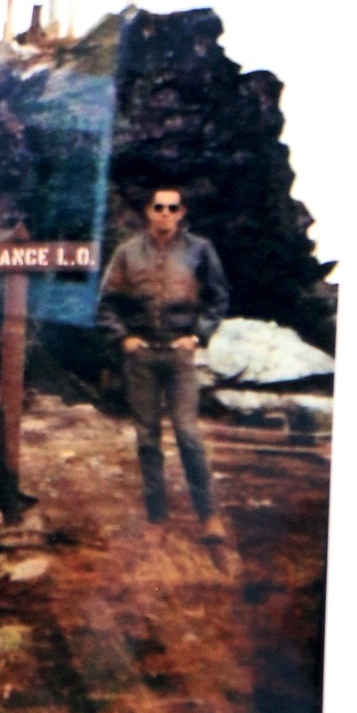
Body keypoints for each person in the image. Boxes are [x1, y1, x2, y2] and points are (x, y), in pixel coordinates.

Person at [98, 185, 230, 539]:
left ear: (182, 212)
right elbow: (107, 303)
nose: (166, 214)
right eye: (159, 207)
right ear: (148, 212)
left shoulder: (199, 250)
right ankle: (157, 517)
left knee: (188, 435)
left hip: (179, 355)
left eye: (173, 208)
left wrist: (198, 335)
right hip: (142, 357)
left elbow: (218, 297)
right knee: (147, 438)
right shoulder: (128, 253)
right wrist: (124, 338)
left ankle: (208, 516)